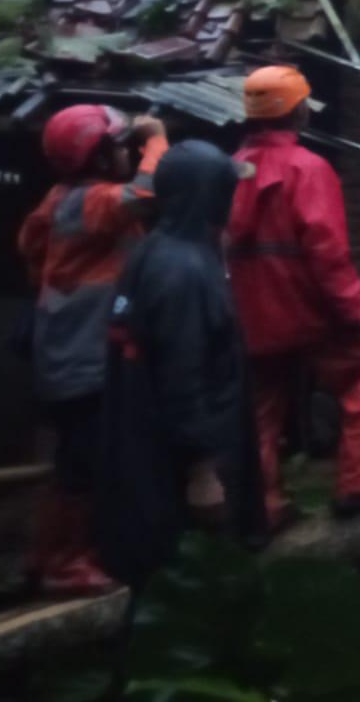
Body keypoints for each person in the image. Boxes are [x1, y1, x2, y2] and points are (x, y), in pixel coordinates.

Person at [95, 140, 267, 588]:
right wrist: (203, 473)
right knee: (193, 584)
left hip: (150, 455)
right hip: (179, 471)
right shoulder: (184, 271)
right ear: (209, 197)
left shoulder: (153, 252)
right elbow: (183, 376)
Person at [226, 65, 360, 529]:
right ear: (299, 111)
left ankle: (262, 505)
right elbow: (327, 253)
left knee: (260, 408)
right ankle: (359, 486)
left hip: (251, 314)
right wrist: (355, 311)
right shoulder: (308, 169)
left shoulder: (233, 168)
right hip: (309, 310)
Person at [18, 104, 167, 594]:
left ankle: (46, 557)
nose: (126, 152)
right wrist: (157, 140)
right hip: (83, 358)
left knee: (74, 463)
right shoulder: (90, 202)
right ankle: (65, 564)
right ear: (98, 157)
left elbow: (31, 250)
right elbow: (145, 193)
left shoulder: (57, 202)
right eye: (119, 145)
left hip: (67, 353)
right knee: (84, 466)